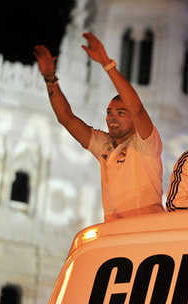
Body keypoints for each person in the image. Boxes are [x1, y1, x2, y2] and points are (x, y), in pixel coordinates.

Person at [34, 33, 164, 222]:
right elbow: (66, 118)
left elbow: (136, 107)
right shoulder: (104, 145)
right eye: (109, 112)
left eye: (120, 113)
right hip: (113, 235)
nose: (112, 118)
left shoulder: (146, 142)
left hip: (146, 234)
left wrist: (107, 64)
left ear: (135, 120)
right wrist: (49, 78)